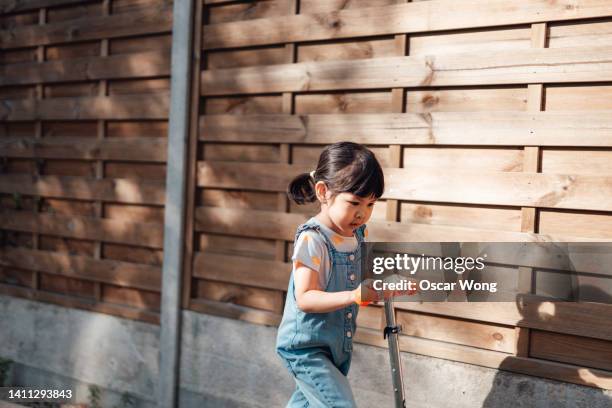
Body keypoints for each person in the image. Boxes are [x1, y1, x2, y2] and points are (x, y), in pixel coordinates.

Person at [276, 141, 402, 407]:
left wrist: (382, 285)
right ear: (323, 192)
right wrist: (355, 295)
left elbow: (358, 281)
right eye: (354, 202)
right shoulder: (313, 239)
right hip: (306, 349)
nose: (362, 214)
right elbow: (306, 298)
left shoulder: (358, 235)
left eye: (371, 204)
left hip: (336, 347)